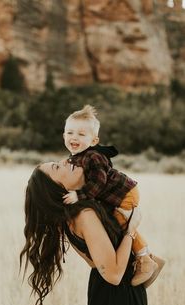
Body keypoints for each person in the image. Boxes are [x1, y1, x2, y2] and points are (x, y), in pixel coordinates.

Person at [20, 160, 159, 305]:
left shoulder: (70, 215)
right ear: (57, 188)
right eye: (56, 167)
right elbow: (114, 275)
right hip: (117, 295)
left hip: (104, 290)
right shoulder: (84, 215)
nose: (64, 161)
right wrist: (130, 230)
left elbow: (93, 262)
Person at [62, 105, 165, 286]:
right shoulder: (76, 157)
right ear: (63, 136)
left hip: (124, 193)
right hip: (113, 196)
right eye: (70, 133)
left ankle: (146, 260)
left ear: (94, 141)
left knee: (122, 221)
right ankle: (150, 258)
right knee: (115, 223)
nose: (74, 138)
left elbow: (98, 183)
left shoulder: (93, 157)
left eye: (81, 134)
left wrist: (79, 195)